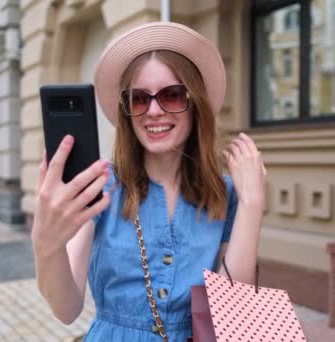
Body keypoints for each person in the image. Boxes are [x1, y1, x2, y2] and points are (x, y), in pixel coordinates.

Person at [31, 22, 266, 342]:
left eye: (172, 95)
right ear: (127, 110)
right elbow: (66, 308)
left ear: (194, 102)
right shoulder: (99, 186)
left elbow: (233, 311)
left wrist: (252, 203)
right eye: (140, 99)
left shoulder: (224, 193)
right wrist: (47, 244)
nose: (154, 111)